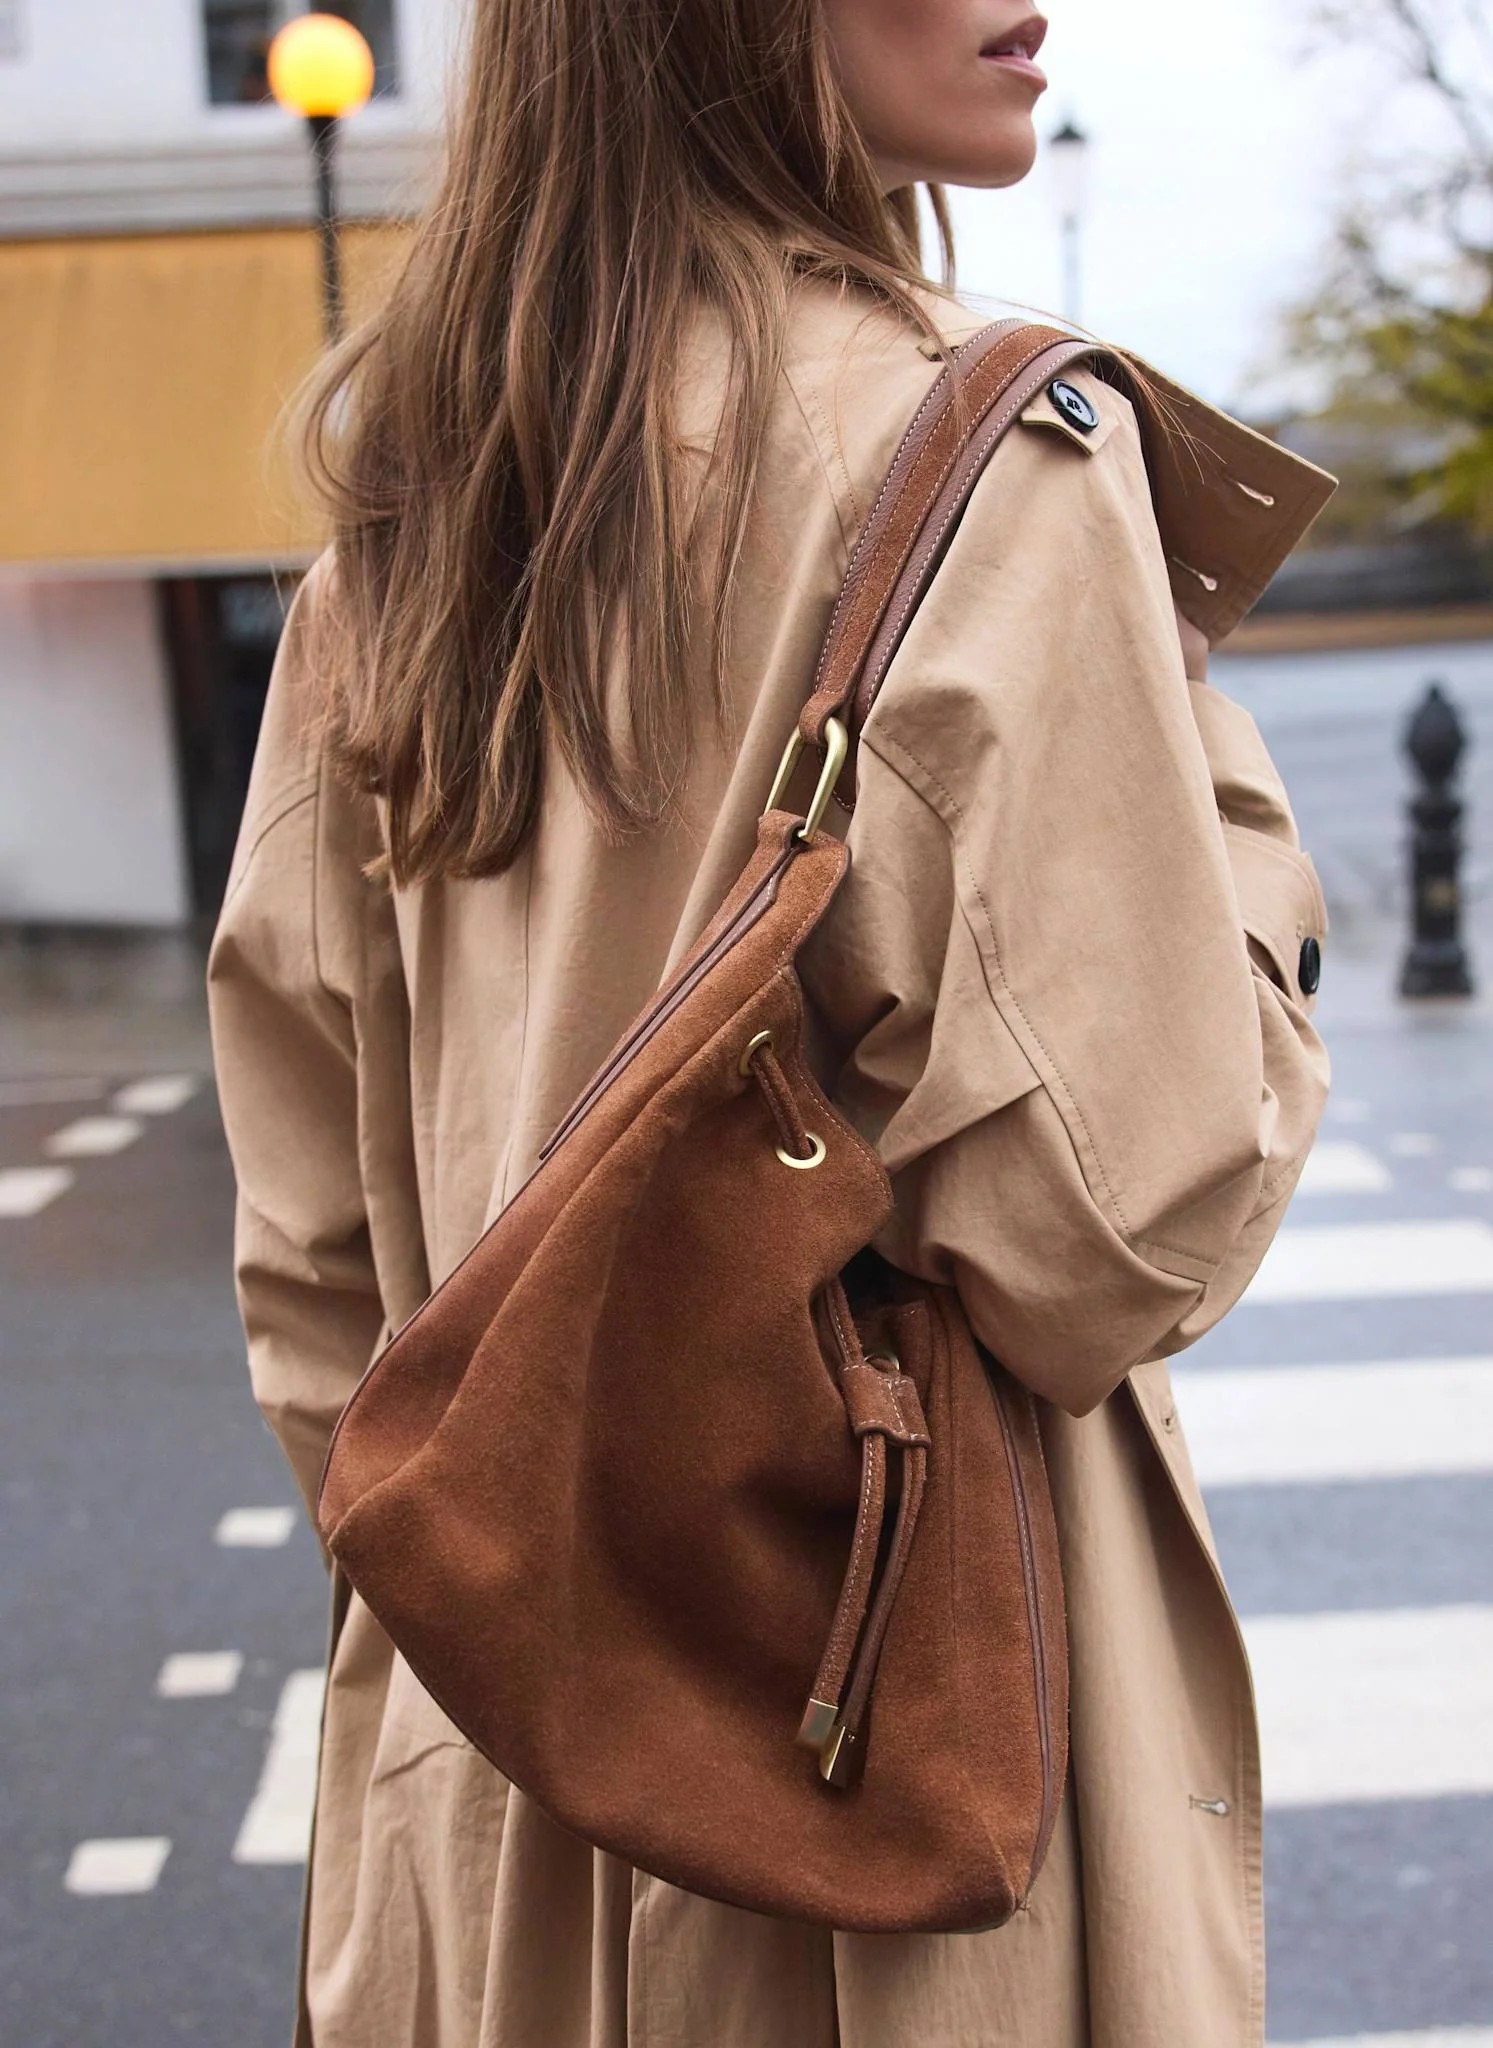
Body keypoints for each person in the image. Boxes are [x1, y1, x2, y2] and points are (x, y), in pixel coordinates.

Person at [208, 1, 1331, 2042]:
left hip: (492, 1803)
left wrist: (567, 1570)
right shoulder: (984, 471)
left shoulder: (407, 527)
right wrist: (1210, 765)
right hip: (879, 1803)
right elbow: (1132, 1226)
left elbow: (313, 1286)